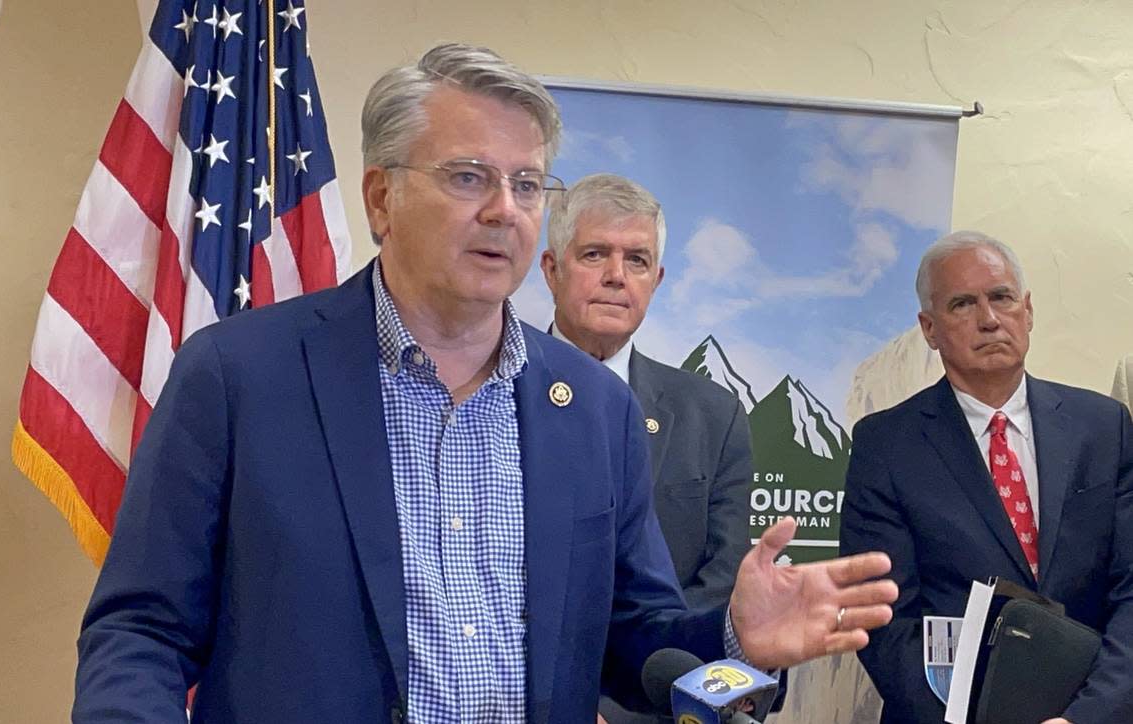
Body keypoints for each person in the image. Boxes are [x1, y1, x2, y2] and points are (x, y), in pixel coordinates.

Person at [73, 43, 897, 723]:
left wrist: (732, 639)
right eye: (469, 176)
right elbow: (141, 631)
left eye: (528, 183)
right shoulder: (237, 375)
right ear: (382, 196)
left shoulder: (595, 408)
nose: (505, 208)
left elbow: (631, 637)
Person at [840, 230, 1133, 724]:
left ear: (1028, 310)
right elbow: (884, 619)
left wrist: (1088, 716)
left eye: (1001, 297)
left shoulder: (1104, 427)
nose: (990, 319)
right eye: (962, 304)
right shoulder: (886, 444)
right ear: (929, 329)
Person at [540, 175, 758, 722]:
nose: (616, 275)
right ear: (551, 269)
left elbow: (719, 581)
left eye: (636, 260)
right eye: (594, 254)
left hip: (661, 705)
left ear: (656, 280)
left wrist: (628, 704)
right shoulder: (493, 390)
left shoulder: (715, 414)